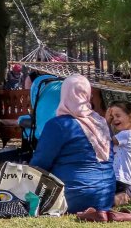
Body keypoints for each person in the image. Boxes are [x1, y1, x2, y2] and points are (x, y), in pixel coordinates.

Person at [30, 75, 118, 218]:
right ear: (87, 95)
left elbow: (40, 163)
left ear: (64, 94)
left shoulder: (58, 125)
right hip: (105, 196)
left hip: (72, 197)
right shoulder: (101, 122)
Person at [107, 101, 131, 206]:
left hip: (121, 178)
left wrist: (106, 122)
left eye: (118, 115)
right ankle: (128, 195)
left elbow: (107, 139)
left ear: (130, 117)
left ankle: (122, 198)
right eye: (112, 117)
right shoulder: (127, 134)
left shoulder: (127, 134)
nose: (114, 120)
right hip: (124, 178)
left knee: (108, 199)